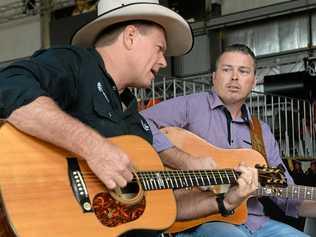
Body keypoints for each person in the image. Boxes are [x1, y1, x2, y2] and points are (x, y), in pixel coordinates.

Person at [0, 0, 193, 236]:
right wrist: (93, 147)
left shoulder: (137, 121)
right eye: (159, 48)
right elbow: (8, 86)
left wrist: (222, 202)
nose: (163, 61)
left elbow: (158, 203)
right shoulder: (76, 64)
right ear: (130, 36)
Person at [141, 44, 316, 237]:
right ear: (214, 77)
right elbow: (139, 122)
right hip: (201, 222)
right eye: (226, 70)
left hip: (256, 223)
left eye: (243, 71)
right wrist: (185, 161)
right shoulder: (192, 106)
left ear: (253, 82)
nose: (234, 77)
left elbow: (285, 194)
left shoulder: (261, 132)